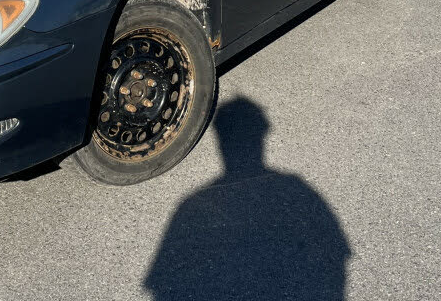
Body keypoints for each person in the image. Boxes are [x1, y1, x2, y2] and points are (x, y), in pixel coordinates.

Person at [144, 97, 351, 301]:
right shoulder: (295, 186)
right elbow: (338, 253)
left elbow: (158, 285)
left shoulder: (192, 203)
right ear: (264, 134)